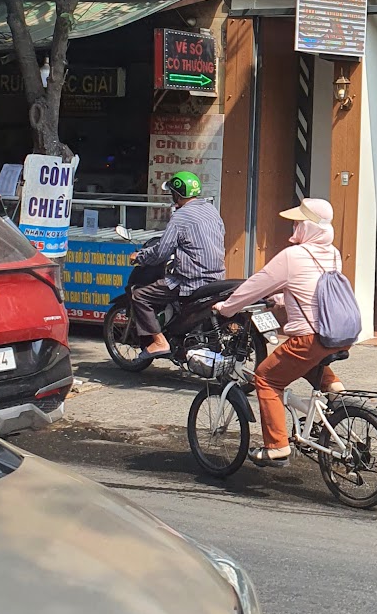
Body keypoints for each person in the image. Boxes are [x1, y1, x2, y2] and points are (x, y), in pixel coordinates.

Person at [214, 198, 346, 467]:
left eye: (299, 221)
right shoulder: (332, 253)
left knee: (266, 378)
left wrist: (227, 308)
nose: (294, 225)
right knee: (302, 361)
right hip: (338, 334)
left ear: (309, 226)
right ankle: (334, 390)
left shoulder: (292, 256)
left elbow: (255, 286)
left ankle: (277, 446)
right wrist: (283, 301)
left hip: (309, 338)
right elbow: (317, 292)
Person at [129, 172, 226, 357]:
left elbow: (161, 252)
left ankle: (159, 341)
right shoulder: (211, 210)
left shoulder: (180, 217)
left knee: (139, 296)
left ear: (178, 194)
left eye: (172, 192)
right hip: (216, 278)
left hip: (190, 281)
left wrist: (140, 257)